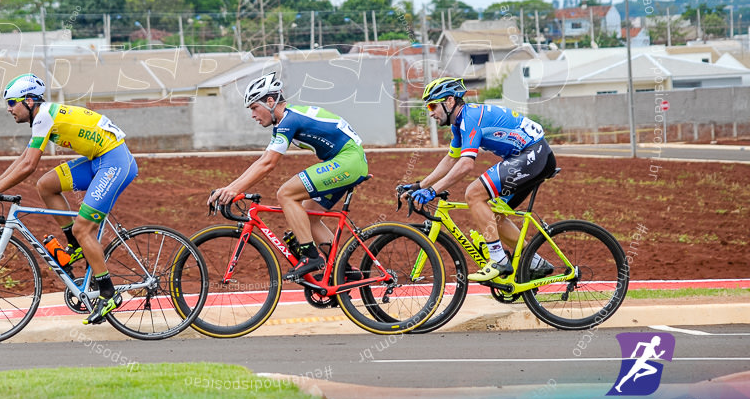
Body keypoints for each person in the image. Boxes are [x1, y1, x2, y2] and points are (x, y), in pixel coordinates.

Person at [0, 73, 138, 325]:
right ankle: (74, 246)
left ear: (29, 101)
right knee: (46, 185)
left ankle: (108, 293)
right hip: (100, 160)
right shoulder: (43, 116)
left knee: (85, 228)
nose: (8, 109)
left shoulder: (44, 116)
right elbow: (22, 160)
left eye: (12, 103)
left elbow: (28, 165)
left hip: (114, 161)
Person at [208, 72, 369, 281]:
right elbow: (262, 160)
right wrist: (229, 187)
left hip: (348, 160)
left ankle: (311, 256)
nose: (253, 115)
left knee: (286, 194)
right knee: (309, 217)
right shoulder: (285, 121)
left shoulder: (289, 120)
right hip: (348, 161)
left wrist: (234, 190)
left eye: (254, 108)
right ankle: (343, 270)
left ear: (270, 101)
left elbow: (268, 164)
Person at [406, 76, 555, 283]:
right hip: (528, 157)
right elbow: (452, 159)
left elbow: (466, 164)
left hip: (533, 154)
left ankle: (498, 260)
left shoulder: (470, 118)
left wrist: (432, 191)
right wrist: (420, 185)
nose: (430, 112)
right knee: (494, 218)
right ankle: (535, 262)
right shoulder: (459, 124)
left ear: (449, 101)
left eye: (432, 105)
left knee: (474, 194)